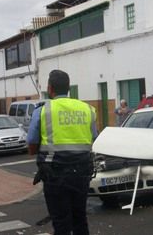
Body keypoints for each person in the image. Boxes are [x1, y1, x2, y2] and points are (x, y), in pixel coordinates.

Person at [27, 69, 98, 235]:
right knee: (80, 219)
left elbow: (31, 146)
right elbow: (93, 138)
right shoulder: (87, 109)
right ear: (69, 89)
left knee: (61, 223)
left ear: (50, 89)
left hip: (55, 175)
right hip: (82, 173)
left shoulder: (43, 111)